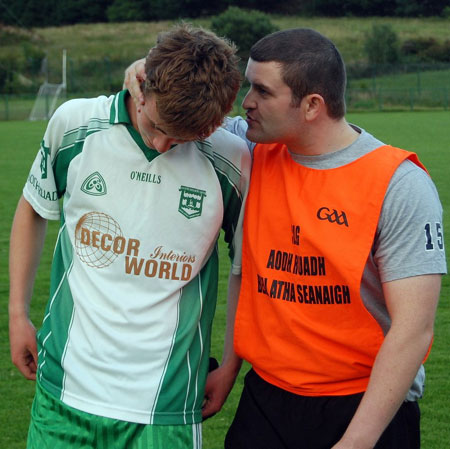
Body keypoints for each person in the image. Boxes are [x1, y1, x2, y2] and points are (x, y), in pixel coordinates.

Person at [125, 27, 447, 449]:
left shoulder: (398, 184)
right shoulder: (251, 151)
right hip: (267, 400)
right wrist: (141, 74)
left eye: (262, 91)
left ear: (312, 105)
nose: (246, 104)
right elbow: (183, 102)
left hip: (364, 405)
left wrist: (358, 441)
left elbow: (413, 330)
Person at [9, 24, 250, 449]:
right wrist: (16, 312)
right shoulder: (75, 124)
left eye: (180, 139)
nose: (161, 143)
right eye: (155, 124)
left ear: (213, 123)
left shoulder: (232, 160)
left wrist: (230, 362)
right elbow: (33, 207)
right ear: (140, 87)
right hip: (64, 390)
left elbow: (244, 269)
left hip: (167, 406)